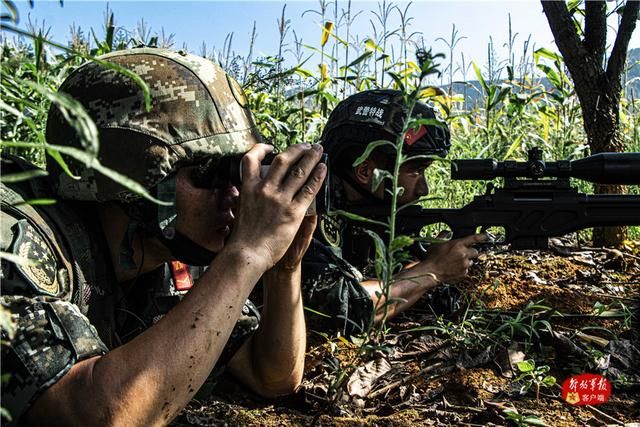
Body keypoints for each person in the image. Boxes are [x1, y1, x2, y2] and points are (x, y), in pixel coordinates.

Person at [0, 48, 326, 426]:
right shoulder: (21, 243)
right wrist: (247, 253)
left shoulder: (174, 253)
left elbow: (272, 375)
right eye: (206, 173)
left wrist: (284, 268)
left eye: (236, 173)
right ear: (128, 179)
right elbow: (91, 417)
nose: (236, 195)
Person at [302, 89, 487, 333]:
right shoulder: (307, 209)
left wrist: (423, 261)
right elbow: (341, 308)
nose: (424, 189)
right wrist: (432, 270)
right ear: (366, 171)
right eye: (415, 171)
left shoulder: (366, 208)